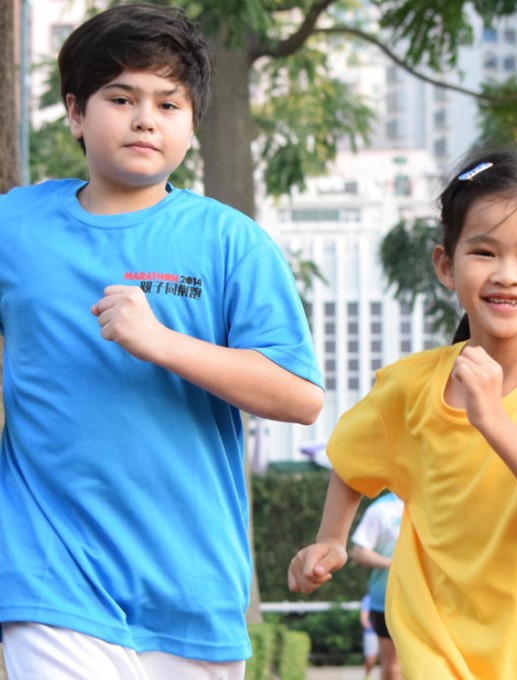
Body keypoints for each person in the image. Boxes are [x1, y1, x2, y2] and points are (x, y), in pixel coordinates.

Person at [0, 4, 324, 678]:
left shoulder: (231, 242)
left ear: (190, 124)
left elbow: (299, 399)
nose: (145, 118)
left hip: (192, 591)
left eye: (168, 103)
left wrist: (163, 344)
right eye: (121, 97)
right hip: (50, 578)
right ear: (76, 112)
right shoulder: (15, 225)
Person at [288, 147, 517, 678]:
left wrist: (495, 421)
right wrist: (331, 539)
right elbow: (351, 460)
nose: (507, 274)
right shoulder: (406, 388)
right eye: (484, 252)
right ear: (446, 264)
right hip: (435, 647)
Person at [351, 492, 404, 680]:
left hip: (431, 599)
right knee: (393, 665)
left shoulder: (436, 498)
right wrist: (393, 563)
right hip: (386, 600)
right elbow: (358, 552)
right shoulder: (381, 509)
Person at [359, 594, 379, 679]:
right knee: (370, 659)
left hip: (388, 633)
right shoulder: (369, 598)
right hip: (372, 633)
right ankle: (367, 676)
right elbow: (364, 618)